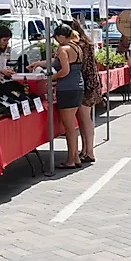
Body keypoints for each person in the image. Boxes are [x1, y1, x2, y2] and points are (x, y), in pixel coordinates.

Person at [31, 24, 85, 169]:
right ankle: (75, 158)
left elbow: (65, 70)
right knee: (72, 126)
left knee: (69, 127)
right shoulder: (77, 47)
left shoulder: (63, 49)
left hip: (67, 88)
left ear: (61, 36)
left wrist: (51, 78)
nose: (56, 40)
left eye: (56, 37)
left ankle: (71, 160)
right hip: (78, 87)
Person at [69, 19, 101, 163]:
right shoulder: (86, 43)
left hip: (85, 83)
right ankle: (86, 150)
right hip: (91, 81)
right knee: (84, 119)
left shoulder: (78, 45)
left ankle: (89, 151)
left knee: (84, 118)